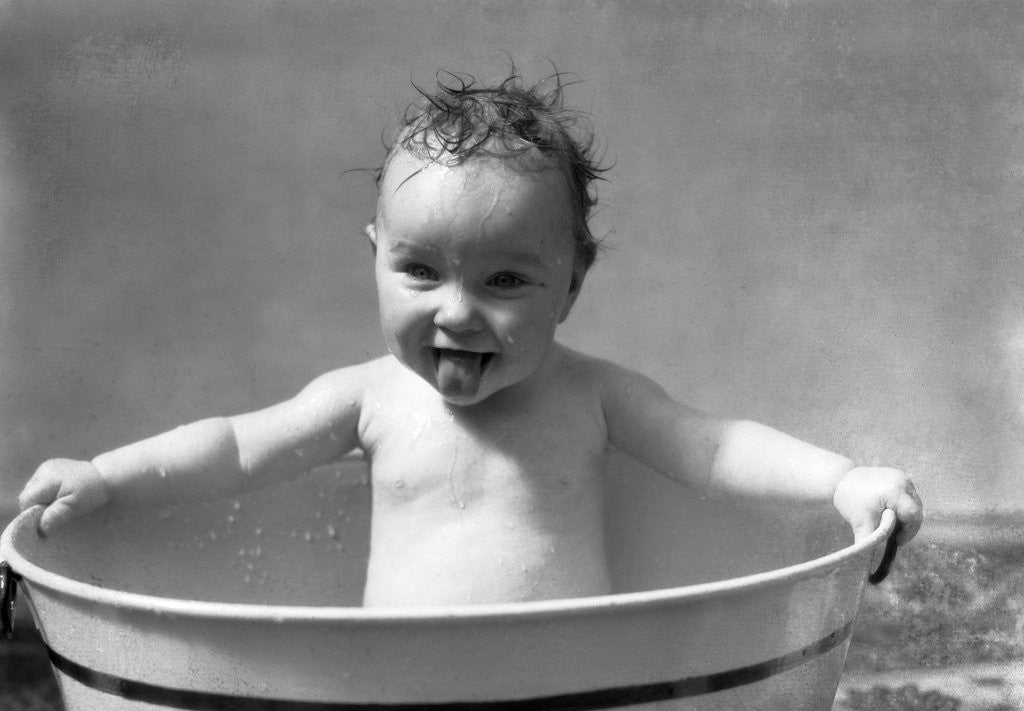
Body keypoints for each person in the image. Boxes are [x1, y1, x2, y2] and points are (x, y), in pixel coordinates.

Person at [18, 71, 923, 607]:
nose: (457, 312)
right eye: (421, 272)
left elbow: (719, 449)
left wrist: (845, 479)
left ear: (571, 282)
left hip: (579, 688)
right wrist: (104, 478)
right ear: (375, 257)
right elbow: (231, 446)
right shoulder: (365, 399)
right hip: (400, 697)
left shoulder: (595, 397)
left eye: (506, 280)